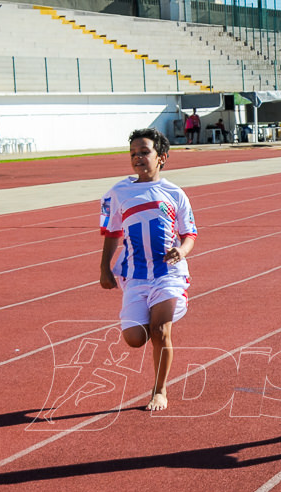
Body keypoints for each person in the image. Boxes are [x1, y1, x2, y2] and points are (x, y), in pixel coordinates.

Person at [99, 128, 197, 411]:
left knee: (160, 330)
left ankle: (159, 390)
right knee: (134, 339)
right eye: (133, 154)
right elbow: (112, 232)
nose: (138, 158)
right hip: (135, 275)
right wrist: (105, 269)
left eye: (145, 152)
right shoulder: (118, 193)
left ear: (162, 157)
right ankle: (147, 325)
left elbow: (189, 233)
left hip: (168, 274)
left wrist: (182, 250)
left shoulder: (175, 193)